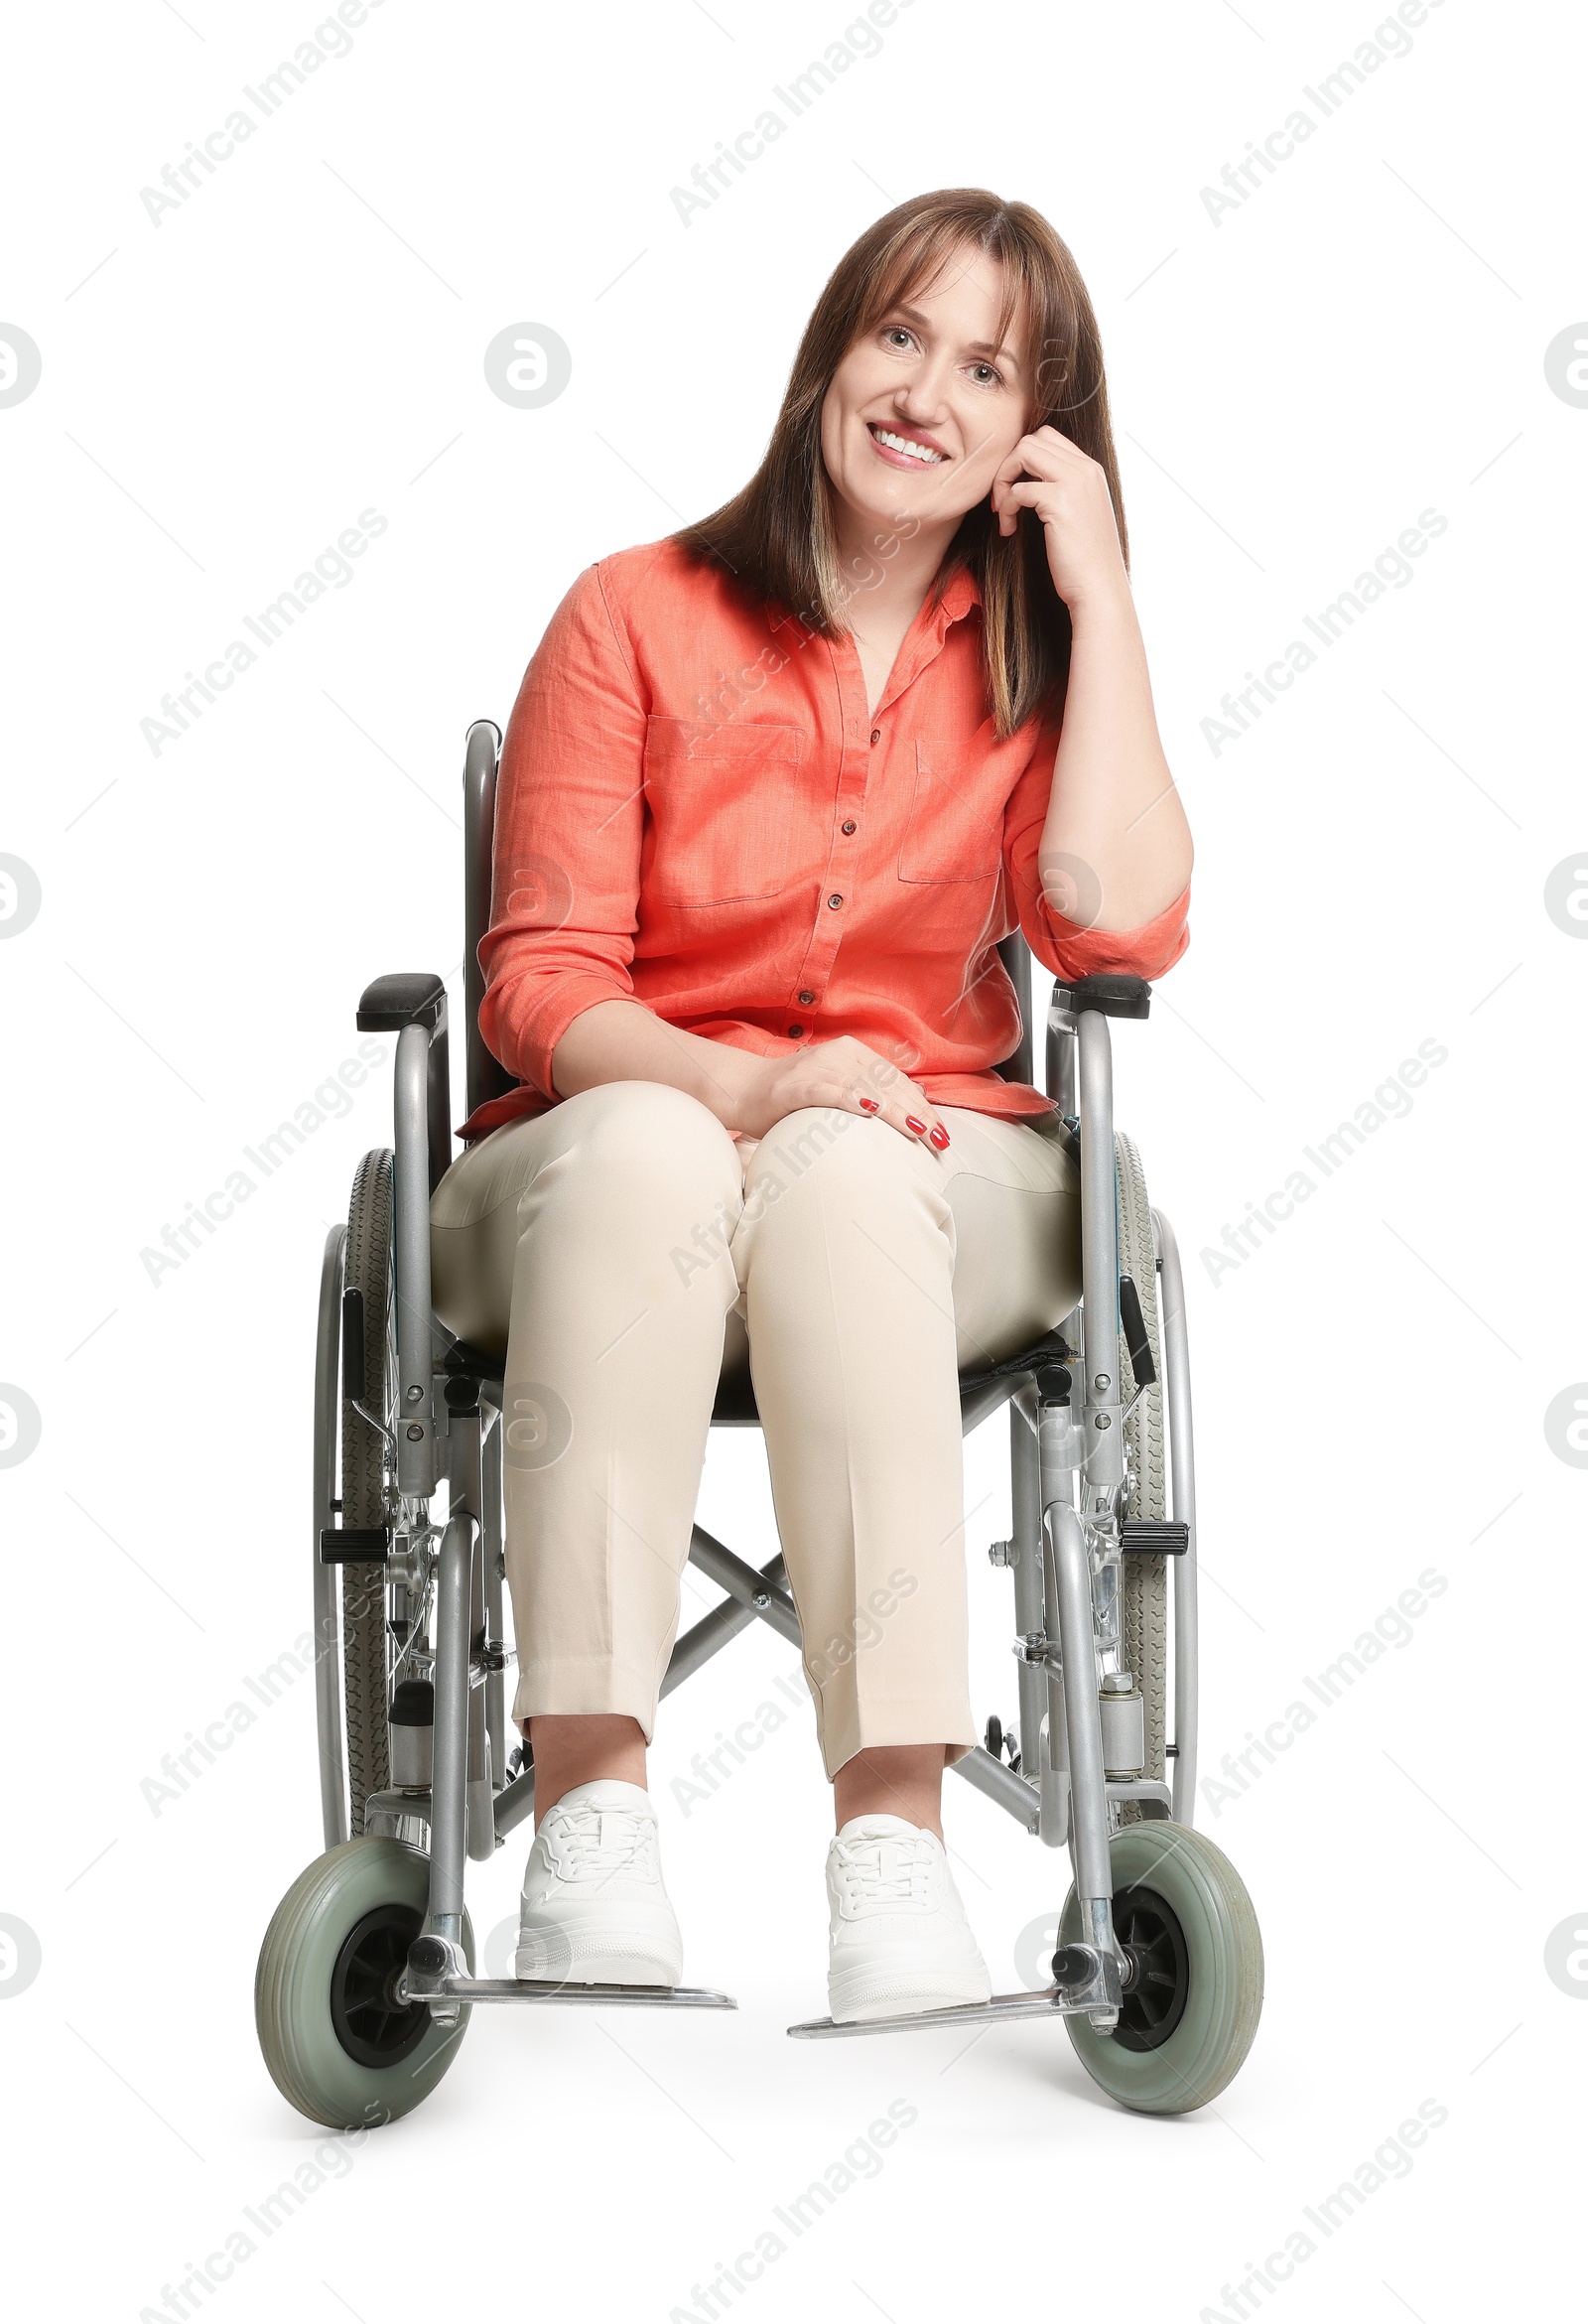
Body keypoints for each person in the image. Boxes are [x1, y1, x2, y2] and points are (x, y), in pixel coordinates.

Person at [430, 188, 1192, 2022]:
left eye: (988, 367)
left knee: (854, 1170)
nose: (925, 388)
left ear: (1038, 438)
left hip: (924, 1167)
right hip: (620, 1141)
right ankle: (592, 1813)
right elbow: (538, 982)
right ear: (830, 357)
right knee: (648, 1143)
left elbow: (1118, 916)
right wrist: (743, 1080)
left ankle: (894, 1837)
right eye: (898, 334)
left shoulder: (1020, 668)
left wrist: (1101, 604)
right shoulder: (632, 614)